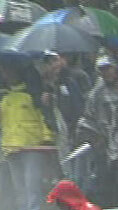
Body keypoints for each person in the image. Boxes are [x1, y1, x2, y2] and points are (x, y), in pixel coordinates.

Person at [0, 63, 54, 210]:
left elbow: (43, 117)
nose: (8, 75)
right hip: (11, 147)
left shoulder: (31, 95)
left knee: (32, 184)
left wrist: (47, 139)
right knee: (19, 187)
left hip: (32, 146)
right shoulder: (3, 98)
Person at [76, 55, 118, 207]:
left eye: (108, 68)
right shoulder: (97, 92)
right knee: (106, 184)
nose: (106, 73)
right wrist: (95, 137)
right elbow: (88, 118)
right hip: (105, 145)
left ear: (116, 68)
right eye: (102, 70)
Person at [41, 51, 90, 189]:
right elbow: (49, 112)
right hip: (60, 132)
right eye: (49, 63)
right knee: (66, 168)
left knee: (81, 168)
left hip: (78, 129)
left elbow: (82, 103)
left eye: (55, 60)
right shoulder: (49, 84)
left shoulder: (76, 77)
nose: (53, 65)